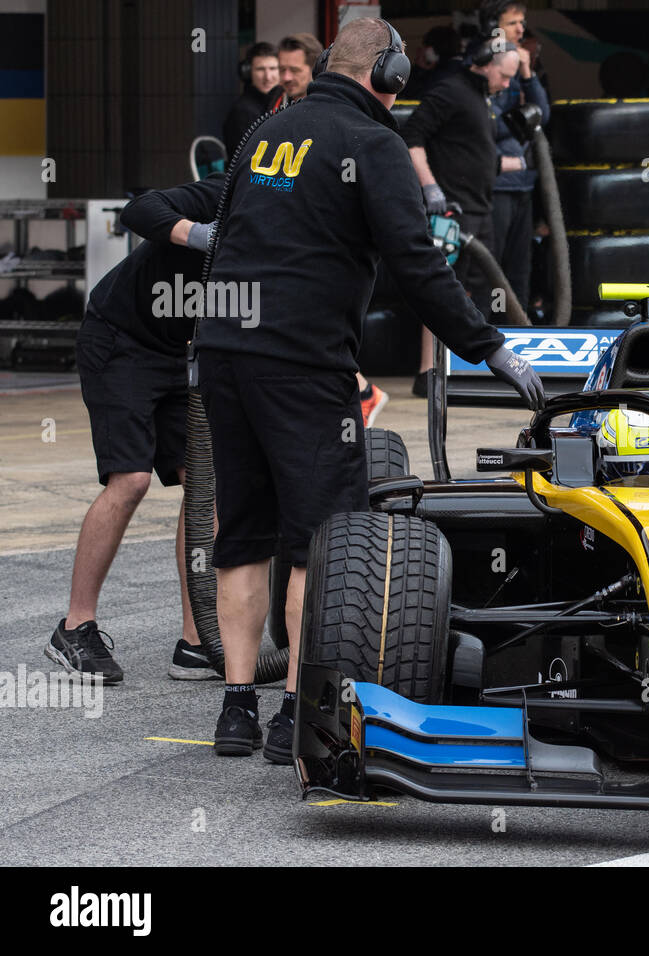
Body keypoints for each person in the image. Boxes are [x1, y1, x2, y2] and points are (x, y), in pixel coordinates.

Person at [194, 17, 542, 762]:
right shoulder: (373, 142)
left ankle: (233, 709)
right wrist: (489, 347)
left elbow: (228, 234)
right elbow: (416, 267)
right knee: (319, 537)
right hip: (301, 360)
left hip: (222, 348)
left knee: (243, 531)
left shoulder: (266, 131)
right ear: (387, 74)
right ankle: (295, 713)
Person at [44, 176, 224, 686]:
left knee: (206, 485)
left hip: (178, 352)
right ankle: (75, 627)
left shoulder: (291, 230)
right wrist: (200, 235)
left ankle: (196, 640)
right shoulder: (226, 192)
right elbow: (140, 208)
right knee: (131, 480)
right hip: (118, 339)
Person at [266, 32, 386, 423]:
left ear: (319, 68)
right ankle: (362, 391)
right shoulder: (278, 109)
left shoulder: (346, 121)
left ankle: (362, 392)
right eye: (280, 68)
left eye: (293, 69)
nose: (284, 76)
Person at [404, 35, 523, 395]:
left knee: (479, 293)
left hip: (480, 210)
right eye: (503, 76)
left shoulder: (482, 100)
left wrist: (513, 162)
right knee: (443, 289)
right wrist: (430, 188)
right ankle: (428, 373)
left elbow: (470, 154)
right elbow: (412, 136)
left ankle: (463, 372)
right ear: (485, 63)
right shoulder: (451, 90)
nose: (506, 84)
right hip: (452, 211)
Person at [482, 0, 549, 320]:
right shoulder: (482, 65)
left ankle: (519, 335)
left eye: (522, 22)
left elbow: (541, 116)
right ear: (494, 28)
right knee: (488, 269)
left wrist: (526, 73)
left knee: (519, 269)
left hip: (523, 185)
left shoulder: (519, 72)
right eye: (513, 23)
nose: (521, 29)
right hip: (493, 186)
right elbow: (483, 126)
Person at [223, 42, 282, 159]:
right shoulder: (242, 112)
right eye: (260, 69)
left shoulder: (282, 101)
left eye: (273, 68)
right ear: (248, 73)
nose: (268, 77)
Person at [403, 25, 463, 103]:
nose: (424, 51)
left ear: (434, 49)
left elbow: (417, 99)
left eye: (426, 46)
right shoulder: (464, 68)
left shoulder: (440, 76)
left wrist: (420, 69)